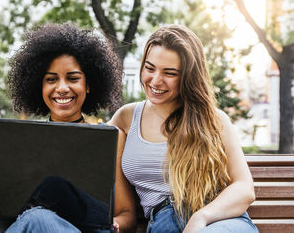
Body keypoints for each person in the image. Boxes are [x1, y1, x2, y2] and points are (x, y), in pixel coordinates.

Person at [109, 24, 259, 233]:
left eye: (169, 73)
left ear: (188, 76)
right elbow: (90, 157)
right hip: (163, 222)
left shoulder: (214, 120)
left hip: (218, 221)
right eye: (150, 68)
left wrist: (200, 217)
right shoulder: (126, 118)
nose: (156, 80)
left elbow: (244, 188)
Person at [5, 22, 122, 232]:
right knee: (36, 219)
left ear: (88, 84)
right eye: (51, 80)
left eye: (73, 78)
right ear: (39, 87)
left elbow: (126, 214)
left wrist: (117, 225)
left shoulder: (109, 139)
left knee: (37, 218)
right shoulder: (24, 142)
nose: (61, 88)